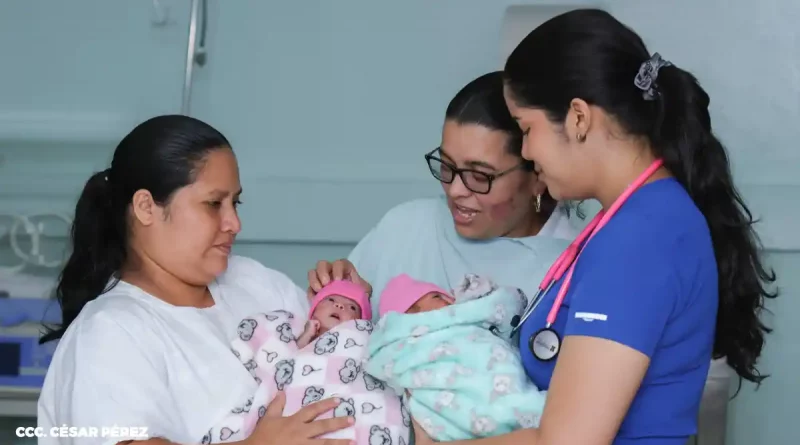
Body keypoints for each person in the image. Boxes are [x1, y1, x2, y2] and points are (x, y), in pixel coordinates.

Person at [409, 8, 777, 445]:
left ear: (579, 118)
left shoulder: (638, 238)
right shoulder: (642, 217)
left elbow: (567, 441)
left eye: (527, 129)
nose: (527, 152)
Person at [36, 115, 353, 445]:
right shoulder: (111, 330)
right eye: (214, 204)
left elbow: (341, 360)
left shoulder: (254, 281)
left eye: (236, 202)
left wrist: (349, 302)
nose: (234, 222)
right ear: (146, 207)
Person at [307, 71, 588, 315]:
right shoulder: (405, 228)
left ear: (538, 174)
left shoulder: (577, 268)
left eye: (479, 176)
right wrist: (344, 297)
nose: (454, 190)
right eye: (446, 166)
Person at [215, 280, 409, 445]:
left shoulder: (363, 336)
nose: (340, 306)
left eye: (352, 307)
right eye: (331, 300)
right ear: (313, 310)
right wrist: (307, 335)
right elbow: (288, 362)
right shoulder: (303, 335)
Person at [365, 273, 547, 441]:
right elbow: (501, 304)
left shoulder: (463, 323)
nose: (451, 300)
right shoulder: (408, 346)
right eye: (437, 297)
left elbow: (507, 321)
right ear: (414, 311)